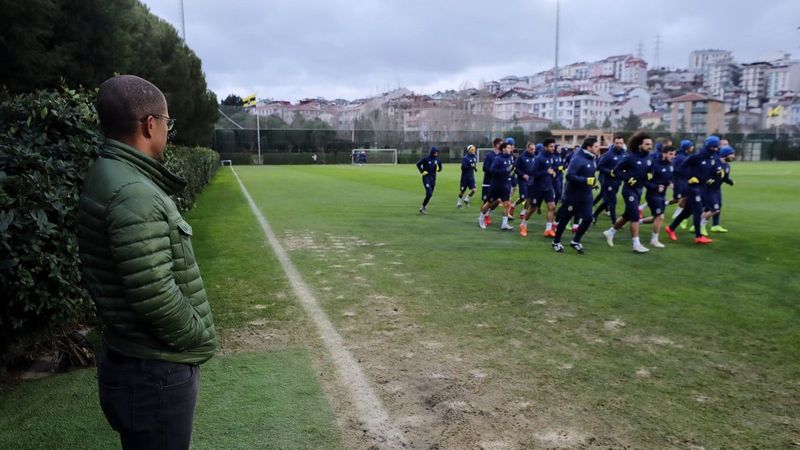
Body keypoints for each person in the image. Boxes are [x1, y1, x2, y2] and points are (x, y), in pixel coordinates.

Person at [77, 75, 217, 450]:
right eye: (168, 122)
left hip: (136, 360)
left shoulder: (111, 174)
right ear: (150, 124)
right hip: (154, 370)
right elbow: (154, 293)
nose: (168, 131)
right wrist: (197, 336)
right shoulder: (133, 192)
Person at [602, 132, 654, 253]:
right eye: (647, 144)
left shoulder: (650, 158)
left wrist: (650, 175)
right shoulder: (630, 157)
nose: (650, 146)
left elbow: (651, 171)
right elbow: (616, 171)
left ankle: (610, 232)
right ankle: (636, 244)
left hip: (639, 190)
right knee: (635, 215)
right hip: (629, 191)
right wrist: (627, 178)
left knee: (628, 215)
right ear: (640, 145)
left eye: (650, 144)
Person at [664, 136, 721, 244]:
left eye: (716, 147)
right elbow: (680, 170)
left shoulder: (713, 157)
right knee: (698, 210)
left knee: (687, 211)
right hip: (692, 187)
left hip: (702, 187)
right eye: (713, 147)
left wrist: (717, 173)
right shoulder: (696, 156)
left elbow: (712, 170)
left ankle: (671, 228)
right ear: (707, 146)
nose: (715, 149)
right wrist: (689, 178)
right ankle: (698, 236)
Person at [552, 137, 601, 254]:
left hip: (586, 195)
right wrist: (586, 180)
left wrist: (593, 183)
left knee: (589, 218)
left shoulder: (592, 158)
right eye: (596, 146)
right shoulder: (578, 159)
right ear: (589, 147)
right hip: (573, 195)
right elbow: (569, 176)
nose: (598, 148)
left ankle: (576, 241)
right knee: (565, 219)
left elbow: (589, 175)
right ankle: (556, 242)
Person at [641, 144, 676, 248]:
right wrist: (655, 187)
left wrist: (670, 183)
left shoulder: (671, 165)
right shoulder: (654, 165)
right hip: (652, 195)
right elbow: (645, 181)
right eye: (670, 154)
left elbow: (669, 178)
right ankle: (654, 240)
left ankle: (636, 222)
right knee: (660, 217)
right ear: (664, 154)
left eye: (674, 154)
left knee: (655, 218)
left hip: (662, 195)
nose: (673, 156)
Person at [522, 138, 558, 237]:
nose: (553, 148)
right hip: (537, 188)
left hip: (548, 187)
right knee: (532, 208)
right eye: (551, 146)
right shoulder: (539, 158)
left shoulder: (551, 157)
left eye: (553, 146)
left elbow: (551, 168)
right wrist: (546, 172)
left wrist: (554, 172)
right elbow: (532, 173)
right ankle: (523, 225)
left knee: (552, 207)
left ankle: (548, 230)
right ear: (545, 147)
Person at [478, 142, 514, 230]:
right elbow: (493, 170)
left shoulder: (510, 158)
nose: (510, 149)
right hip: (496, 185)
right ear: (503, 149)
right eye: (509, 148)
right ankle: (481, 218)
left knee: (506, 204)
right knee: (489, 203)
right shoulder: (498, 159)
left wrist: (510, 172)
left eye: (510, 148)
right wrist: (505, 171)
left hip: (505, 185)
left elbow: (510, 169)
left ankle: (504, 224)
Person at [593, 136, 625, 225]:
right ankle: (615, 222)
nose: (619, 145)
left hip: (618, 182)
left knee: (607, 201)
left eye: (620, 143)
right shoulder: (608, 154)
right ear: (614, 143)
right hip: (608, 181)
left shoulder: (624, 154)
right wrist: (609, 172)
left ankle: (594, 215)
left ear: (623, 143)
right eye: (617, 143)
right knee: (613, 202)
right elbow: (599, 166)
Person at [710, 146, 735, 232]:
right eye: (731, 154)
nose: (733, 156)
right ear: (726, 154)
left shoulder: (727, 166)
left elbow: (725, 178)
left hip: (717, 189)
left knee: (718, 206)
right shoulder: (715, 163)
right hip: (707, 189)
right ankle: (697, 225)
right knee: (706, 208)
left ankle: (715, 225)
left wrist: (730, 182)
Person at [514, 143, 538, 235]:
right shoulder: (521, 157)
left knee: (530, 198)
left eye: (534, 149)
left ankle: (523, 212)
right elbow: (515, 168)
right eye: (531, 149)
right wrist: (523, 174)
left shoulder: (535, 157)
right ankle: (514, 205)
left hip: (532, 180)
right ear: (527, 148)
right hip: (522, 180)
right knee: (524, 197)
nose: (533, 151)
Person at [480, 138, 503, 224]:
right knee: (486, 201)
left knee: (498, 200)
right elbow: (484, 168)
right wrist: (494, 172)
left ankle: (488, 214)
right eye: (501, 144)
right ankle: (481, 217)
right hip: (488, 181)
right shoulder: (490, 155)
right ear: (496, 145)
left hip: (497, 182)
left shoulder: (501, 155)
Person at [416, 146, 443, 214]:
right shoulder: (426, 159)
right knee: (429, 193)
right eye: (435, 153)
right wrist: (422, 171)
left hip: (433, 178)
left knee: (429, 194)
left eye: (437, 153)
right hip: (426, 178)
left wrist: (438, 169)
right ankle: (422, 207)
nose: (436, 154)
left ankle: (424, 206)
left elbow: (440, 168)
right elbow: (418, 164)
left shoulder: (438, 160)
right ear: (432, 152)